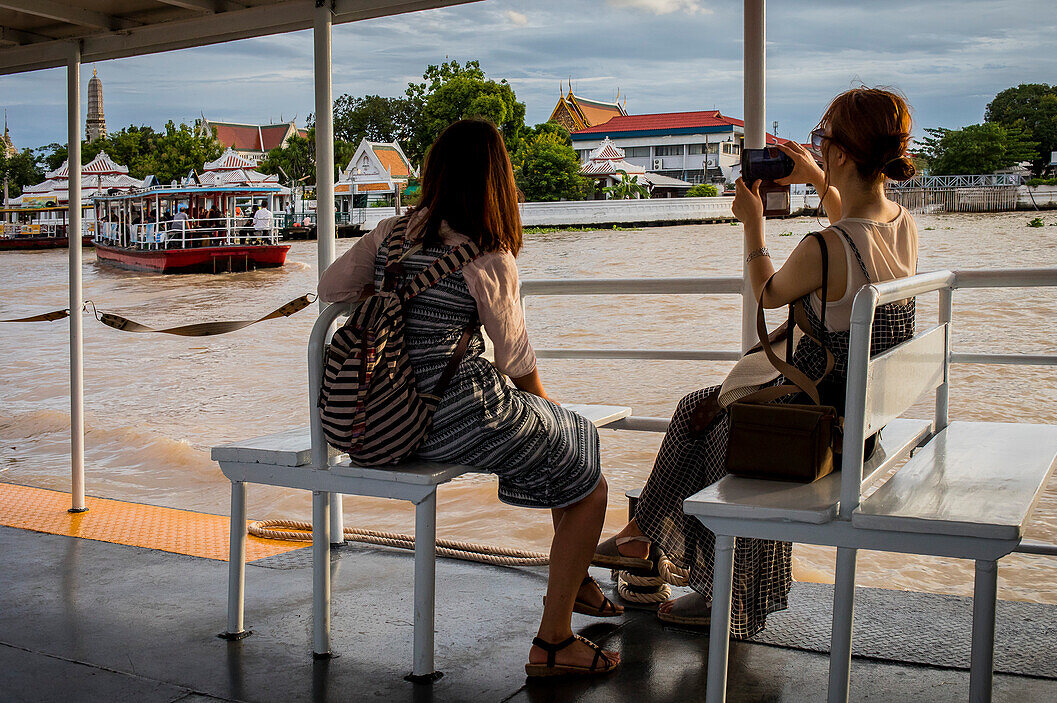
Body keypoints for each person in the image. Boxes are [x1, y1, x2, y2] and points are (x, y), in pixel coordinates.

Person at [594, 87, 919, 636]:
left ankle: (722, 590)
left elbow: (768, 292)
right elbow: (852, 228)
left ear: (841, 152)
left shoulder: (824, 246)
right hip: (862, 423)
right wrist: (818, 178)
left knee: (716, 433)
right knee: (703, 407)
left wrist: (752, 222)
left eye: (823, 142)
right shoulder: (900, 224)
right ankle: (659, 549)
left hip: (821, 433)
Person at [319, 119, 619, 677]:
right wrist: (551, 411)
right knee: (587, 469)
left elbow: (331, 290)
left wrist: (389, 294)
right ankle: (553, 642)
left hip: (384, 414)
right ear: (495, 183)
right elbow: (516, 363)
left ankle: (576, 588)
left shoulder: (389, 235)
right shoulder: (488, 258)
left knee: (566, 448)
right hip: (454, 412)